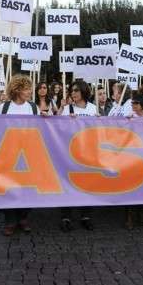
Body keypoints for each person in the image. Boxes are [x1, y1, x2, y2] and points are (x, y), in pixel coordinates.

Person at [0, 75, 42, 236]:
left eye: (29, 88)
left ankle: (23, 217)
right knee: (9, 187)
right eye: (26, 88)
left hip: (28, 156)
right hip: (8, 154)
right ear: (17, 90)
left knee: (27, 187)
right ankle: (10, 220)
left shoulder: (34, 108)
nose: (29, 92)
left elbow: (40, 129)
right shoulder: (3, 108)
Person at [59, 81, 98, 232]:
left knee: (87, 185)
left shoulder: (93, 108)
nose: (73, 93)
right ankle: (65, 216)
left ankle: (86, 215)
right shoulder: (67, 109)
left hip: (88, 153)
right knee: (68, 184)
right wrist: (64, 114)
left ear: (83, 91)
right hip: (69, 153)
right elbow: (56, 128)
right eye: (71, 90)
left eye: (76, 90)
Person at [124, 94, 143, 230]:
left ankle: (141, 215)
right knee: (131, 189)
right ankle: (130, 216)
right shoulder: (128, 118)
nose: (133, 105)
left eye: (135, 103)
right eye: (132, 103)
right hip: (132, 159)